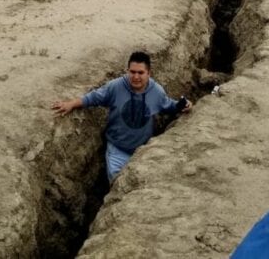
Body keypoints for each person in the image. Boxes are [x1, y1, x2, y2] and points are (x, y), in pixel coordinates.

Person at [51, 51, 192, 182]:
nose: (136, 77)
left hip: (144, 152)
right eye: (132, 72)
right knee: (117, 184)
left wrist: (184, 105)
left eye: (140, 72)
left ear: (149, 73)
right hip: (117, 150)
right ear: (127, 71)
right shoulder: (115, 87)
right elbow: (93, 97)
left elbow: (169, 106)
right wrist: (71, 104)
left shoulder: (157, 91)